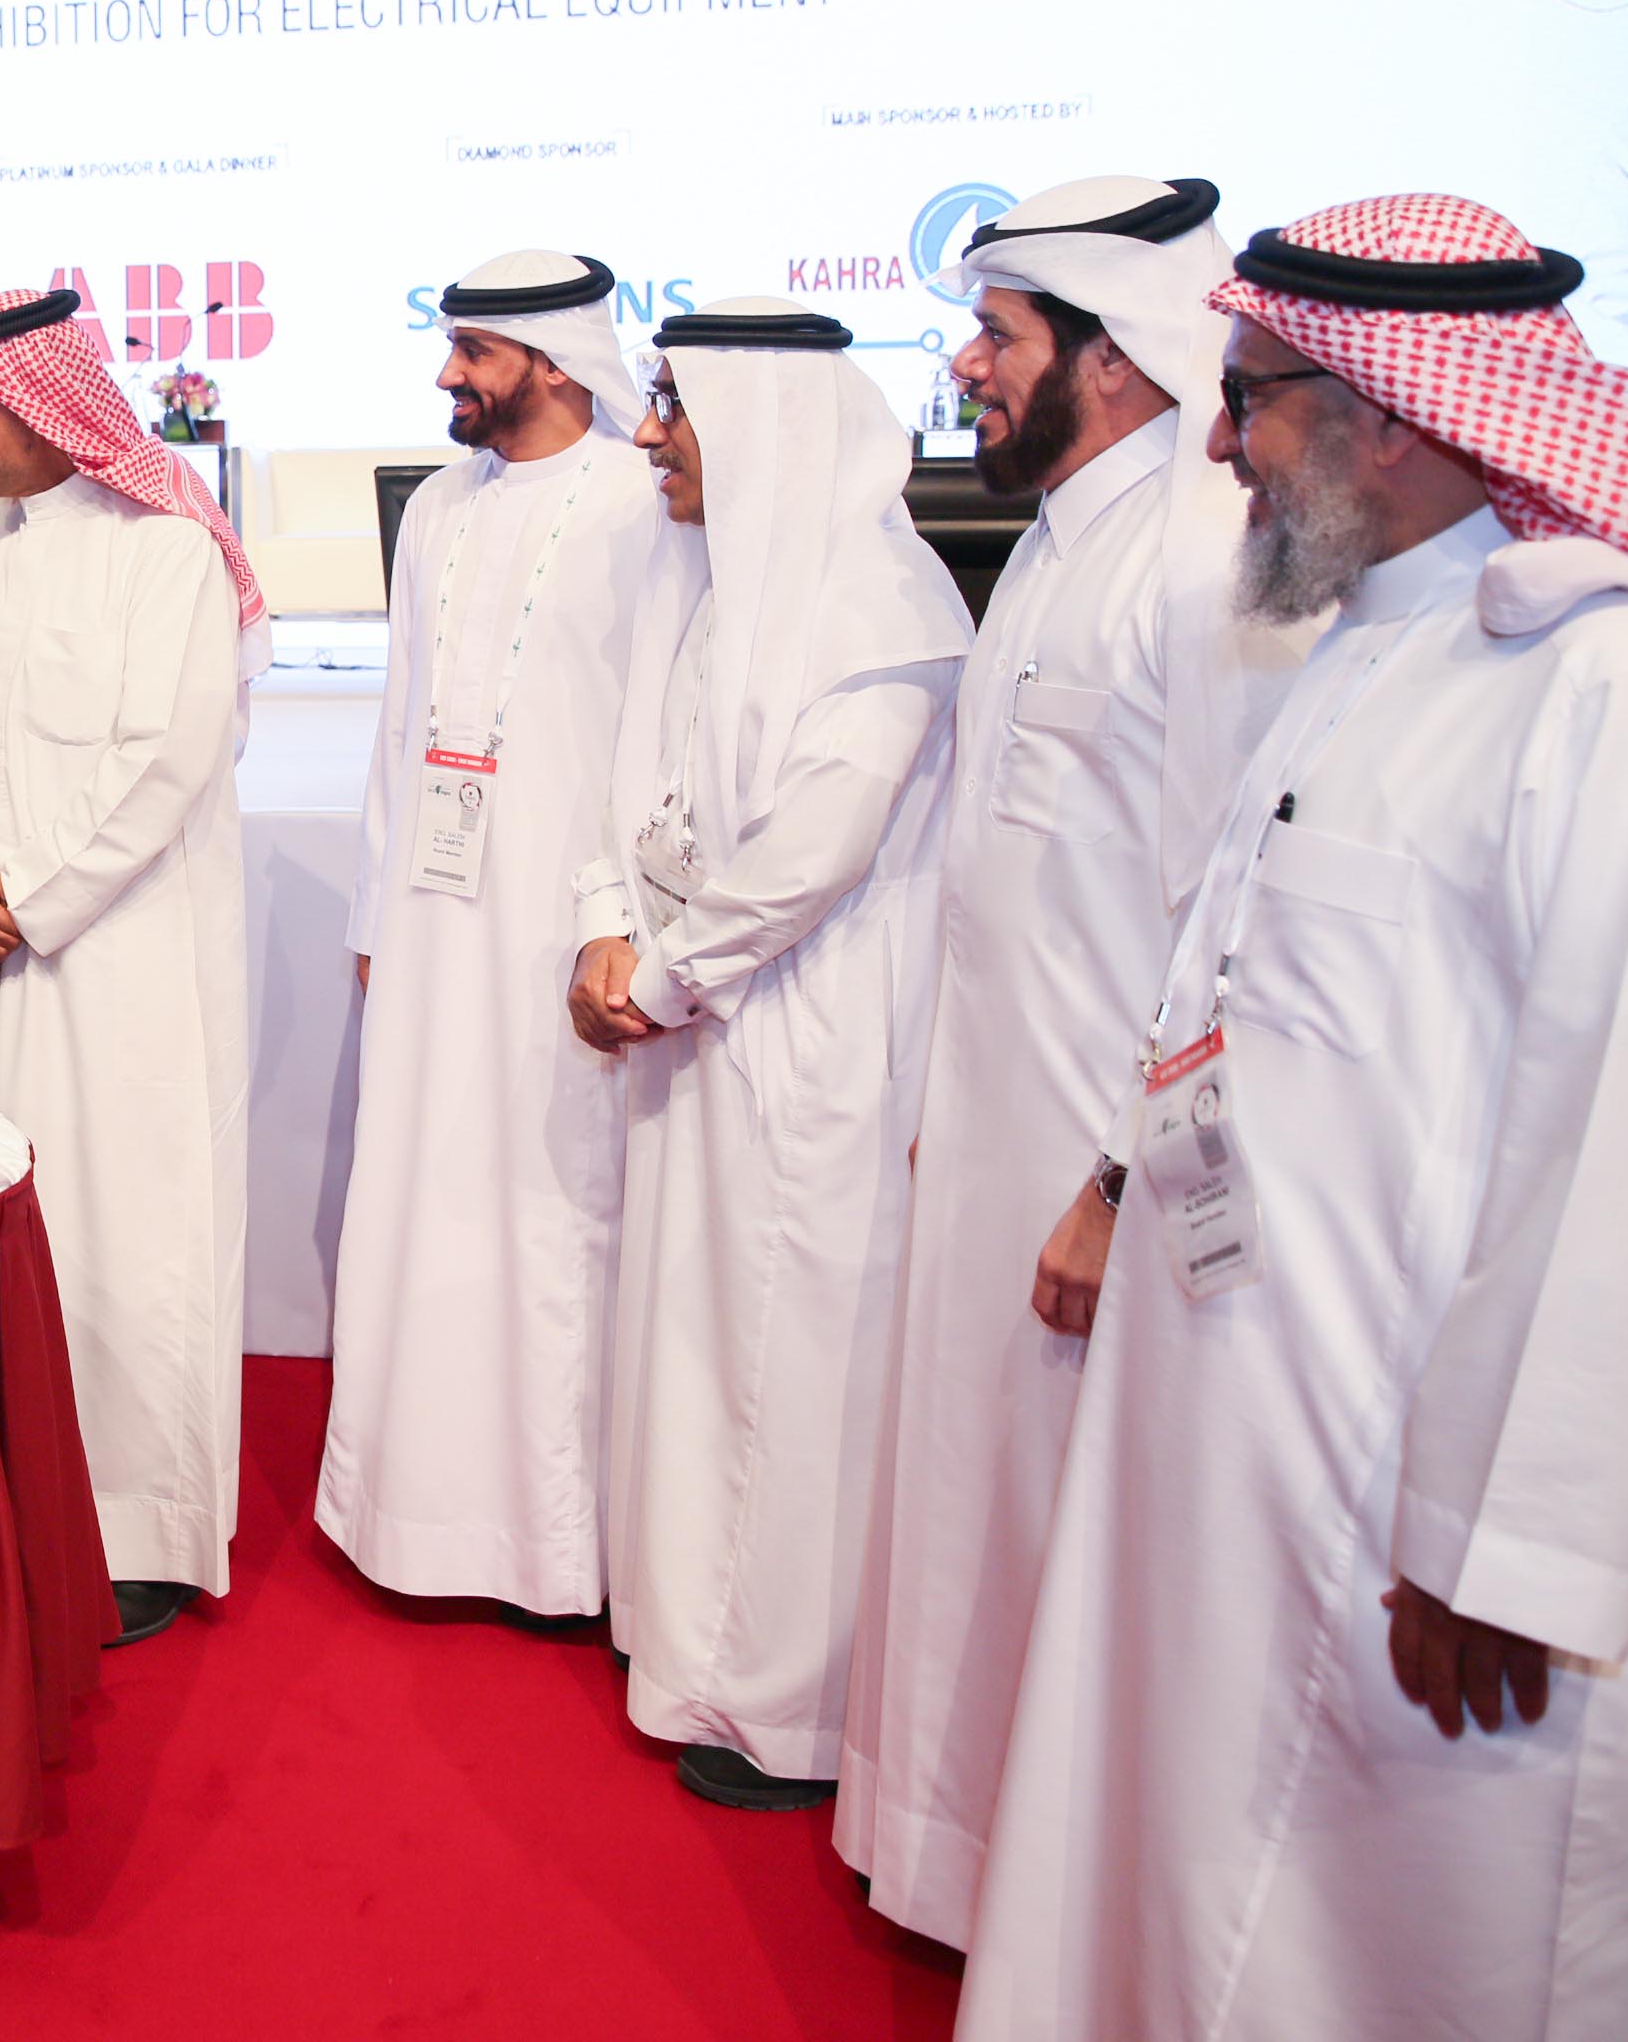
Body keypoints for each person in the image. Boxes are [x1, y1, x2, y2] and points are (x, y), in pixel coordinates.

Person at [959, 196, 1628, 2040]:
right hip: (1251, 1414)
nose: (1219, 448)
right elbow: (1221, 975)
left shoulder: (1617, 688)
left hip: (1424, 1507)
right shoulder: (1363, 643)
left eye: (1253, 401)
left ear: (1392, 418)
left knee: (1404, 1938)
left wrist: (1504, 1541)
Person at [836, 179, 1311, 1943]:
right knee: (972, 1498)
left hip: (1098, 1175)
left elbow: (1229, 921)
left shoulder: (1206, 562)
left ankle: (1046, 1914)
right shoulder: (1054, 538)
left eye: (999, 334)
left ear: (1113, 358)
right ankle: (948, 1856)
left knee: (1063, 1525)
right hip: (990, 1131)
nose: (966, 365)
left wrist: (1121, 1179)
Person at [569, 300, 971, 1809]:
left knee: (785, 1368)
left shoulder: (883, 607)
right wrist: (608, 928)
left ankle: (786, 1710)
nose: (649, 434)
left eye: (676, 406)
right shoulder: (712, 581)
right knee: (696, 1347)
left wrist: (668, 975)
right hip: (695, 1016)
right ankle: (688, 1652)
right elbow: (630, 779)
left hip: (808, 1041)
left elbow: (815, 852)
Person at [0, 286, 267, 1648]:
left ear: (46, 407)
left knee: (128, 1236)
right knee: (3, 1224)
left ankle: (138, 1533)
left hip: (120, 963)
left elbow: (171, 759)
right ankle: (11, 1506)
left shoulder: (170, 551)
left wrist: (28, 906)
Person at [311, 252, 661, 1626]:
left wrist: (619, 919)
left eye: (474, 351)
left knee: (547, 1200)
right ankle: (407, 1506)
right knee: (421, 1183)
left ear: (555, 363)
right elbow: (402, 721)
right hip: (431, 912)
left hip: (564, 916)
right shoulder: (439, 509)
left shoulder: (641, 502)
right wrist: (373, 907)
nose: (448, 373)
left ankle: (550, 1545)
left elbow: (649, 731)